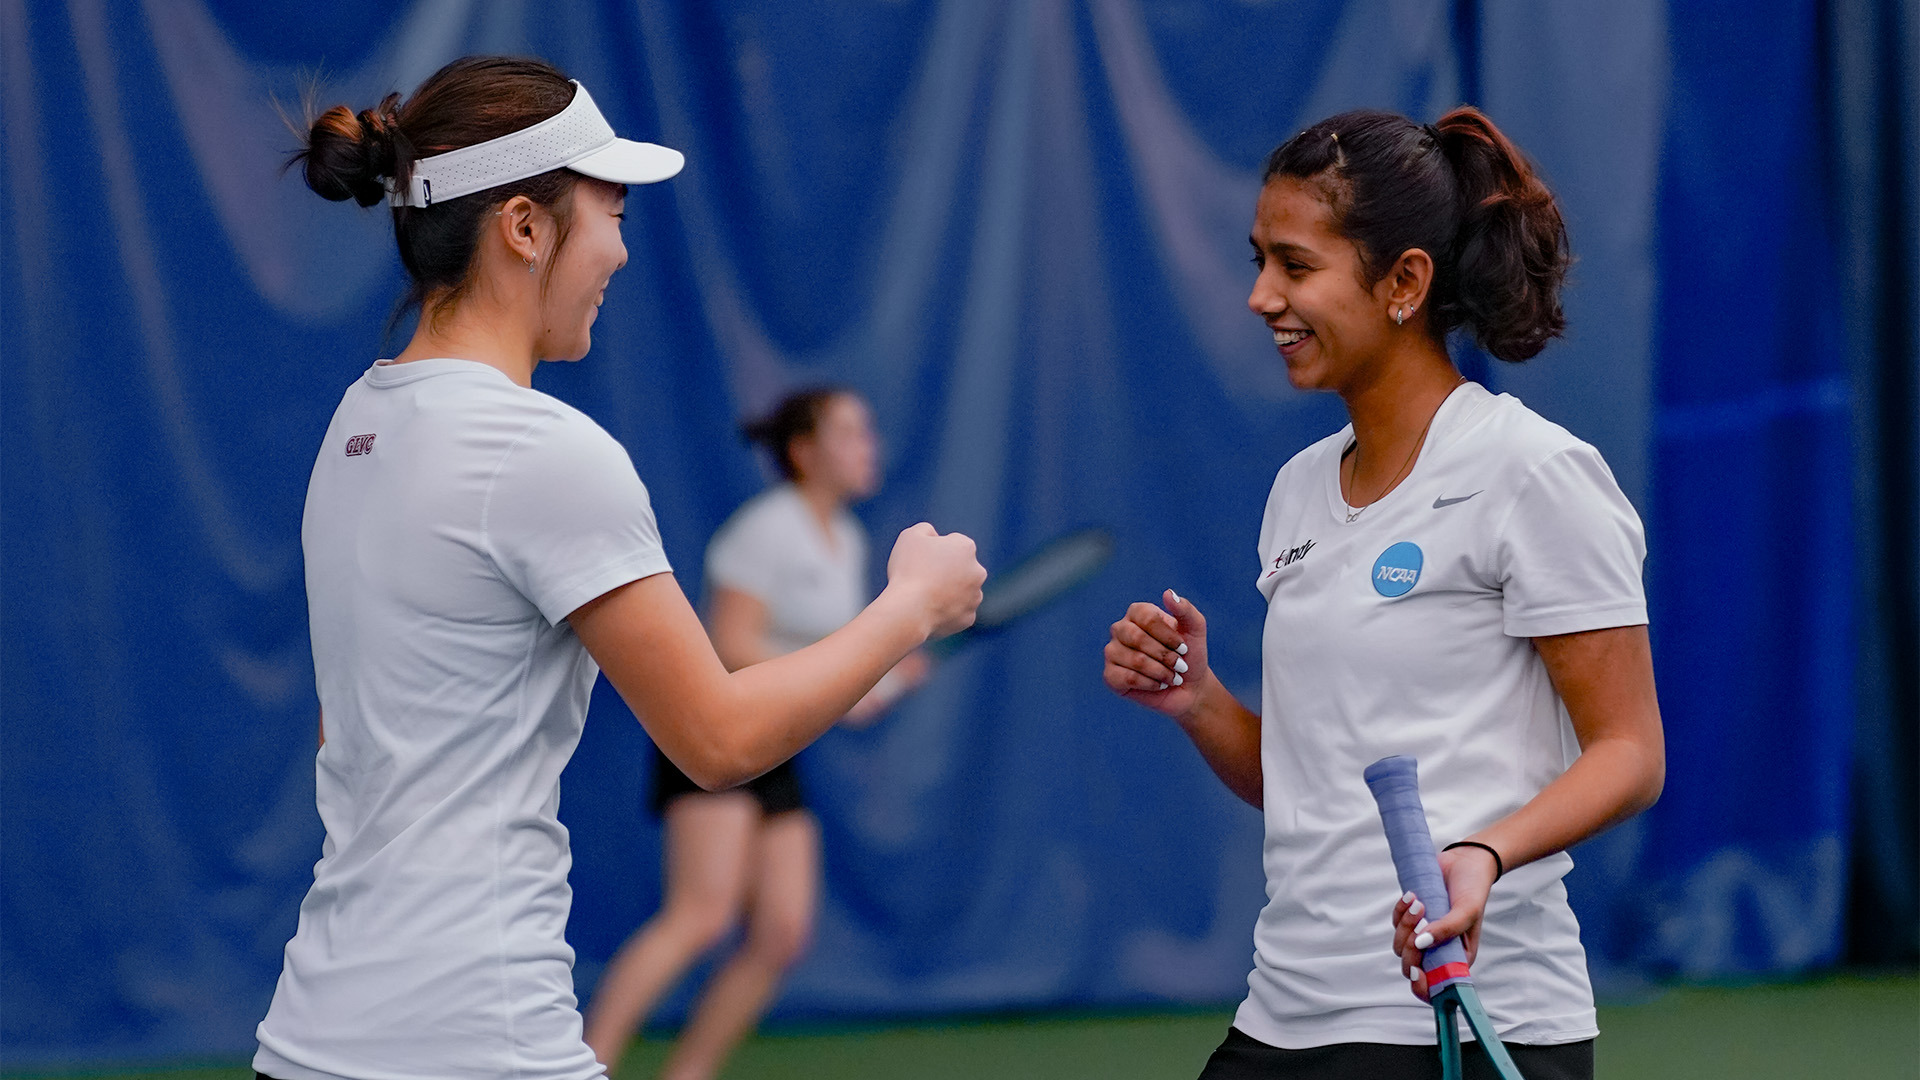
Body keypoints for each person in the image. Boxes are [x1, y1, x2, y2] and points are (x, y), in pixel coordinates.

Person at [256, 56, 983, 1080]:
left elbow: (352, 726)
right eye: (614, 214)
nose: (622, 253)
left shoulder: (356, 427)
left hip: (308, 1044)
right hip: (475, 1046)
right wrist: (911, 606)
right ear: (524, 226)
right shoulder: (543, 451)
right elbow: (718, 741)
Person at [1102, 107, 1664, 1080]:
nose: (1259, 296)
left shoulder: (1531, 472)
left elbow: (1630, 754)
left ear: (1404, 282)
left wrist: (1483, 854)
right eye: (1257, 261)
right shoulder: (1298, 492)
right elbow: (1308, 785)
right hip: (1285, 1018)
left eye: (1294, 264)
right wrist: (1198, 703)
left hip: (1477, 1022)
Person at [582, 387, 926, 1078]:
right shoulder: (768, 529)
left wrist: (870, 678)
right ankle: (584, 1064)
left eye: (870, 431)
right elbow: (729, 645)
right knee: (701, 917)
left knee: (782, 932)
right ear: (804, 452)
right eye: (850, 433)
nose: (869, 447)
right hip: (712, 729)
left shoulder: (849, 540)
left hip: (775, 745)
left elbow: (825, 653)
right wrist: (853, 680)